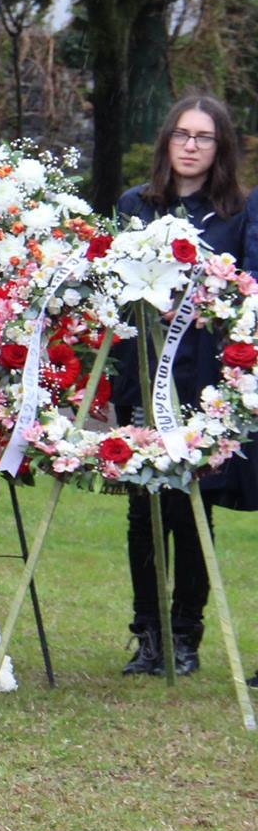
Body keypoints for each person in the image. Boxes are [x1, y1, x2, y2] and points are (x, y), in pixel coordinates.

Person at [114, 94, 245, 678]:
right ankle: (148, 636)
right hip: (142, 373)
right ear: (167, 141)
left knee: (193, 509)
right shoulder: (134, 206)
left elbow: (250, 285)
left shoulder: (242, 211)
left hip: (205, 381)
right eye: (182, 135)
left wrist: (203, 305)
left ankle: (185, 635)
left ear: (221, 148)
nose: (191, 146)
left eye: (205, 137)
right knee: (144, 510)